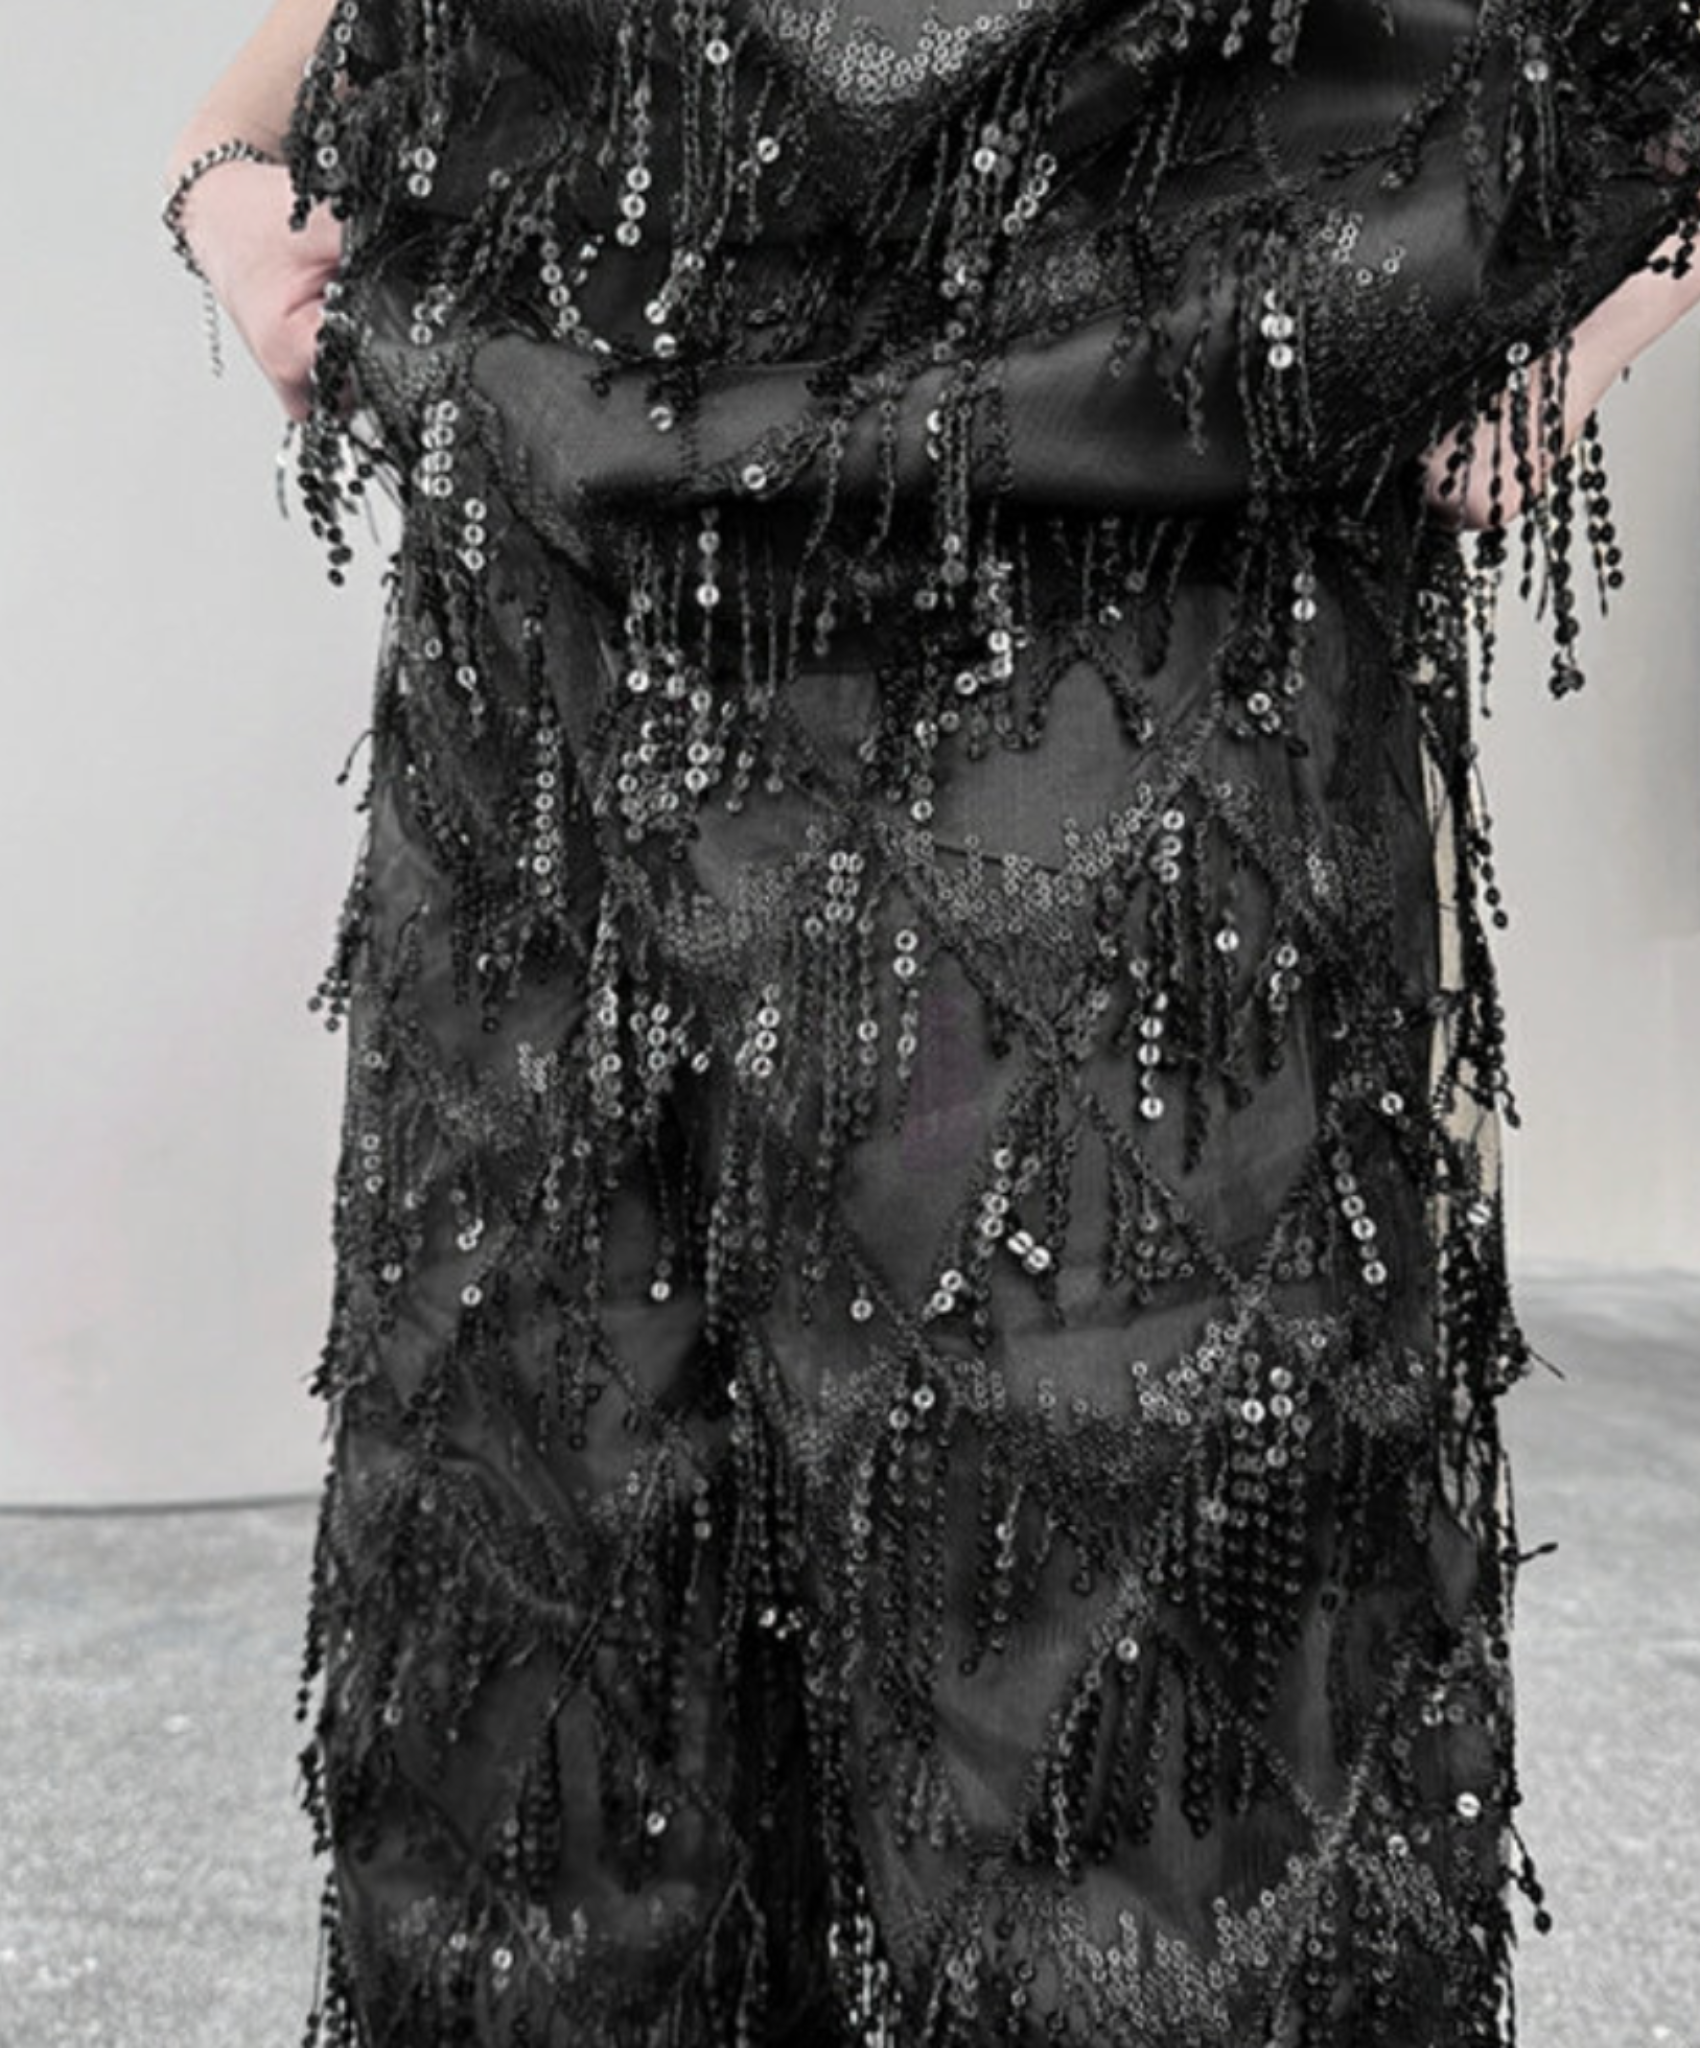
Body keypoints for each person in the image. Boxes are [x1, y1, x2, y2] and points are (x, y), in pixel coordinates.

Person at [164, 3, 1700, 2043]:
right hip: (574, 557)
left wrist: (1594, 302)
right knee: (565, 1663)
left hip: (1122, 571)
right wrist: (227, 157)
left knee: (1129, 1733)